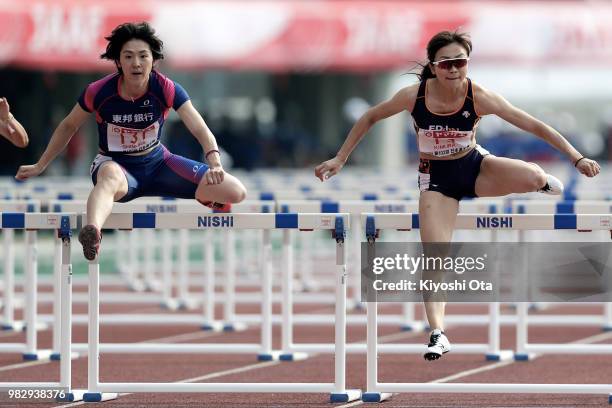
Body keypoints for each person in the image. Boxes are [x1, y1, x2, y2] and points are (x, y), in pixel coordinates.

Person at [314, 30, 600, 361]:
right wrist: (340, 158)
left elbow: (534, 125)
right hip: (437, 181)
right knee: (435, 258)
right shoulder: (413, 96)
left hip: (476, 168)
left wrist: (576, 156)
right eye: (447, 63)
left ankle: (539, 182)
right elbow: (370, 117)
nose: (454, 70)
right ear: (434, 67)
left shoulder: (479, 96)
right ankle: (438, 332)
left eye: (460, 62)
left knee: (533, 174)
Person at [16, 22, 247, 260]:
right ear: (118, 61)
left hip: (159, 164)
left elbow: (198, 126)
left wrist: (215, 161)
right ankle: (93, 232)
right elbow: (68, 126)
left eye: (143, 56)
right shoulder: (99, 91)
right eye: (128, 56)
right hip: (118, 167)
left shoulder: (166, 88)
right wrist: (40, 165)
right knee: (109, 178)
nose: (136, 63)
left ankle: (208, 196)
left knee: (236, 192)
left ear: (153, 60)